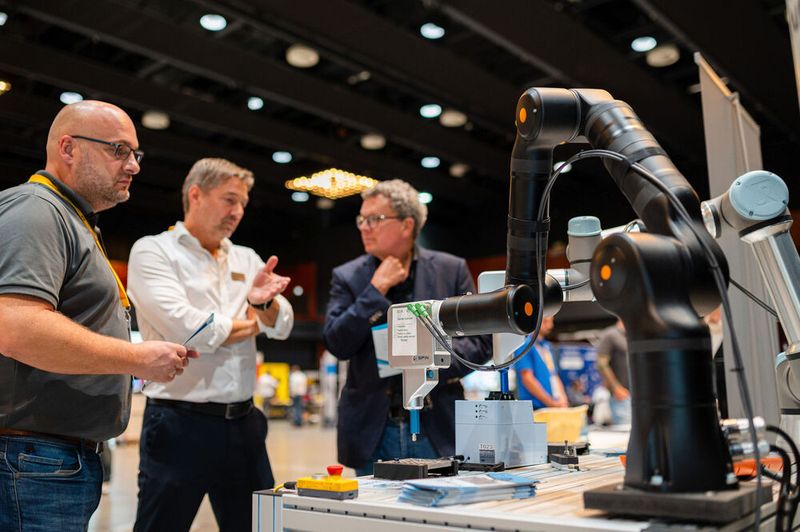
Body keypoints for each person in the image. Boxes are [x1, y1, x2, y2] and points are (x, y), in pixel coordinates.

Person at [0, 101, 191, 531]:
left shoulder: (72, 218)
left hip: (50, 458)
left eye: (135, 154)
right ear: (68, 148)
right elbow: (16, 326)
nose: (133, 166)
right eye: (119, 150)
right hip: (31, 459)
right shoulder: (36, 211)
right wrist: (136, 358)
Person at [127, 157, 294, 531]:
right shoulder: (153, 251)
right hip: (178, 424)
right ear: (196, 194)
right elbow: (189, 332)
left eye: (243, 205)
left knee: (258, 527)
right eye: (229, 200)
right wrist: (255, 318)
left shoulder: (247, 257)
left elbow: (283, 323)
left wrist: (263, 305)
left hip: (244, 425)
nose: (237, 212)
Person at [324, 179, 491, 476]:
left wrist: (424, 358)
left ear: (406, 225)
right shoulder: (347, 276)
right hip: (373, 431)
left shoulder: (450, 271)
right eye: (361, 219)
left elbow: (479, 343)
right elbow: (337, 342)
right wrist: (376, 290)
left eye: (374, 219)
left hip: (437, 426)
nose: (364, 226)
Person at [514, 316, 568, 409]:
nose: (550, 326)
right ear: (535, 321)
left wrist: (563, 398)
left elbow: (554, 375)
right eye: (546, 321)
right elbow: (527, 379)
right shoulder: (524, 345)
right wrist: (550, 402)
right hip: (534, 408)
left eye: (551, 321)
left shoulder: (547, 346)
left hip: (551, 406)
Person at [596, 319, 631, 424]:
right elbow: (601, 363)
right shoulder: (611, 335)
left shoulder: (632, 335)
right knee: (625, 432)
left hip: (637, 396)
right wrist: (616, 387)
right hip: (622, 396)